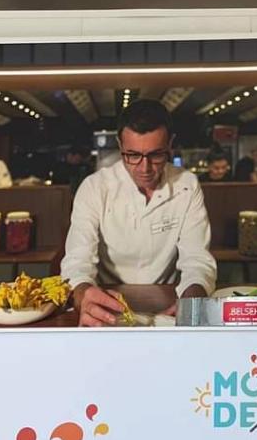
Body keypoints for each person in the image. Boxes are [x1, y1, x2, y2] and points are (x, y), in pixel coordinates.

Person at [61, 99, 217, 326]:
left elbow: (197, 260)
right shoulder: (94, 188)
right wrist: (84, 294)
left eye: (156, 155)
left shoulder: (187, 185)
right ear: (120, 145)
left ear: (170, 144)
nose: (145, 168)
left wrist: (193, 299)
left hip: (168, 307)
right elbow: (77, 263)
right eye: (133, 155)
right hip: (107, 306)